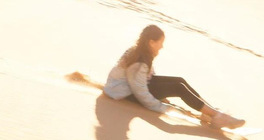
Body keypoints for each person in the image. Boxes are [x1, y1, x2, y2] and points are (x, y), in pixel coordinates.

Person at [103, 24, 245, 129]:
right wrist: (164, 106)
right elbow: (142, 95)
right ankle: (217, 117)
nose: (162, 47)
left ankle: (209, 112)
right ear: (151, 42)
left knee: (179, 81)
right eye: (160, 43)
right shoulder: (139, 63)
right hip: (123, 93)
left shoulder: (141, 52)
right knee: (178, 88)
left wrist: (162, 93)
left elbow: (147, 77)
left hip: (130, 87)